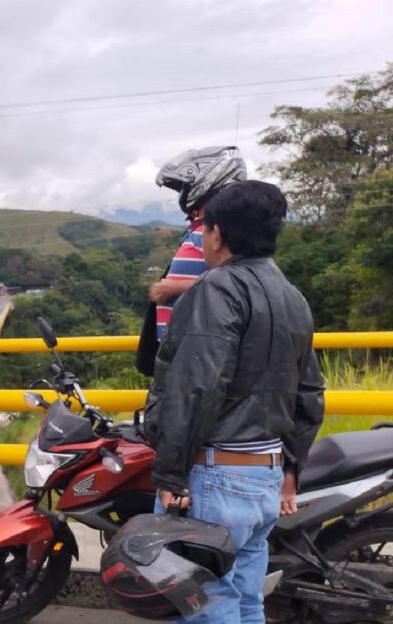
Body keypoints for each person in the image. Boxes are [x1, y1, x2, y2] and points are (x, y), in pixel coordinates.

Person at [142, 180, 325, 623]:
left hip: (214, 477)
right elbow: (310, 392)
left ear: (218, 234)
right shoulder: (292, 295)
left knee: (207, 604)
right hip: (263, 478)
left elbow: (195, 388)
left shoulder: (215, 289)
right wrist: (290, 470)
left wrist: (170, 475)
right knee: (245, 600)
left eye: (204, 231)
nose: (202, 240)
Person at [136, 146, 247, 375]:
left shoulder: (218, 231)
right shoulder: (201, 228)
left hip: (197, 354)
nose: (183, 193)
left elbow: (237, 281)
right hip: (181, 350)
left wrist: (173, 287)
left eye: (185, 186)